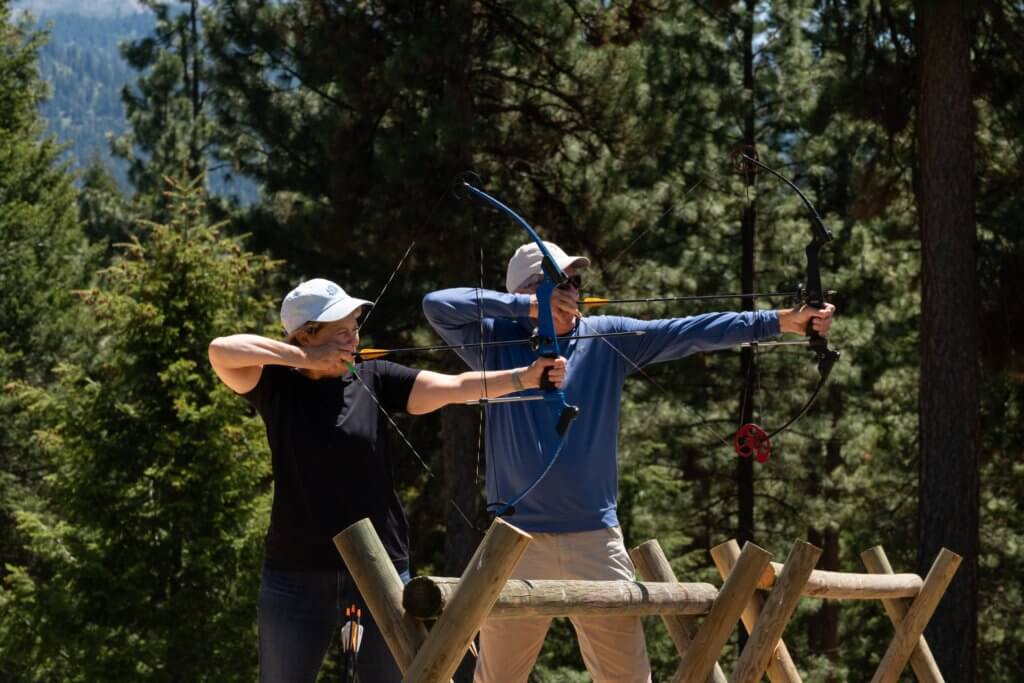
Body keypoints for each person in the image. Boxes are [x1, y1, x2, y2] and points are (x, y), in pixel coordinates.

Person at [422, 242, 836, 683]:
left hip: (596, 540)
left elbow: (689, 330)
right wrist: (525, 308)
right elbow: (437, 305)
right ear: (528, 291)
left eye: (574, 282)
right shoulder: (495, 343)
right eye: (557, 282)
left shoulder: (604, 336)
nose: (572, 290)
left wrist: (780, 321)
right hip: (514, 542)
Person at [208, 277, 566, 683]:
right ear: (307, 336)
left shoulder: (374, 376)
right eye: (340, 331)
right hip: (296, 573)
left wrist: (527, 377)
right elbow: (221, 350)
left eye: (355, 327)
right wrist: (308, 361)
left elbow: (453, 387)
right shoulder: (275, 385)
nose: (353, 339)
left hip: (381, 568)